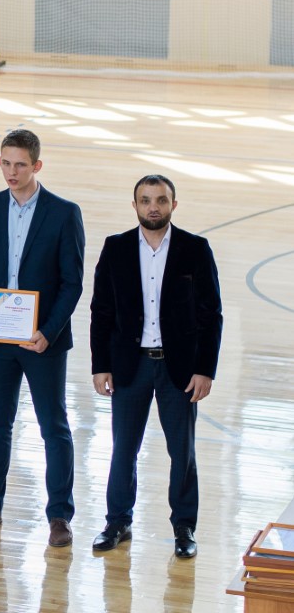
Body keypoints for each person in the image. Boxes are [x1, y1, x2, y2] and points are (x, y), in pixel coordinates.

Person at [0, 128, 85, 547]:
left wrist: (49, 332)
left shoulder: (64, 213)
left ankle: (59, 515)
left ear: (37, 165)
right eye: (6, 163)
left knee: (54, 427)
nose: (12, 172)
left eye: (21, 165)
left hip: (40, 342)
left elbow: (72, 283)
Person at [89, 175, 222, 559]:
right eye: (145, 200)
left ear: (173, 205)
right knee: (123, 449)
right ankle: (117, 521)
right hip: (129, 366)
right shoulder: (115, 248)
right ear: (134, 205)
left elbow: (211, 314)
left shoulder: (195, 249)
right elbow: (101, 311)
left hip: (178, 370)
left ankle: (184, 527)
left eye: (160, 200)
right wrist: (101, 365)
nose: (153, 207)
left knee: (183, 452)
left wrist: (205, 369)